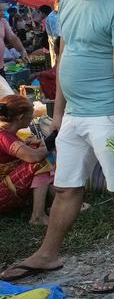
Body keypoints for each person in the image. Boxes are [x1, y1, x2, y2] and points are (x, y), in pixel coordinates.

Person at [0, 0, 114, 293]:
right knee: (65, 187)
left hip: (107, 114)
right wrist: (59, 114)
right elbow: (64, 57)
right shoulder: (65, 3)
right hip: (75, 115)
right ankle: (48, 254)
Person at [0, 95, 53, 225]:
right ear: (20, 117)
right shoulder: (3, 136)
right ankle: (37, 216)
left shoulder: (7, 132)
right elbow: (33, 157)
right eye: (31, 113)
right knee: (39, 162)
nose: (33, 116)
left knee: (36, 150)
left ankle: (60, 200)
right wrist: (53, 141)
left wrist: (36, 144)